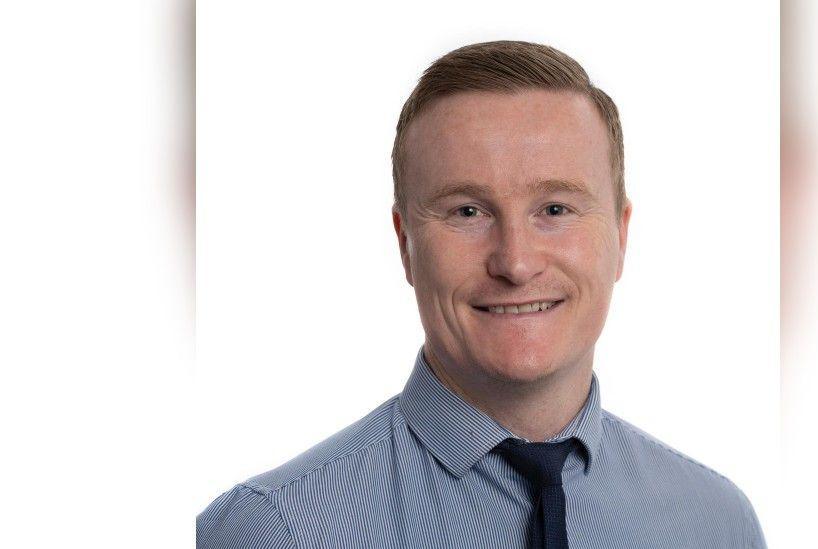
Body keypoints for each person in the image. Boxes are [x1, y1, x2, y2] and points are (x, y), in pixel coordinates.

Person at [197, 40, 766, 549]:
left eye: (555, 209)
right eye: (467, 211)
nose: (515, 263)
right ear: (405, 245)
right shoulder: (272, 531)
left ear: (620, 235)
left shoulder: (717, 525)